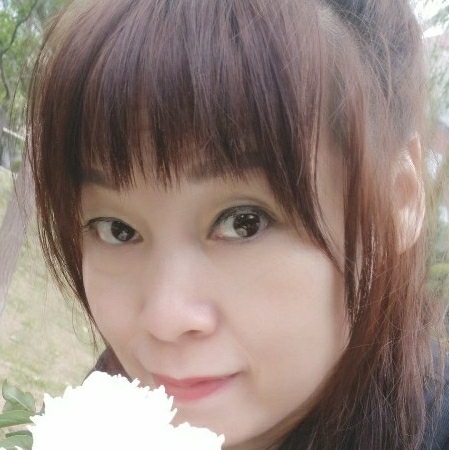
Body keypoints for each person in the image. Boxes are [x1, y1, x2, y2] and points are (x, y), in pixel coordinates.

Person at [25, 0, 449, 448]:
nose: (165, 319)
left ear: (398, 198)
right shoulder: (110, 417)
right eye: (117, 229)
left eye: (244, 222)